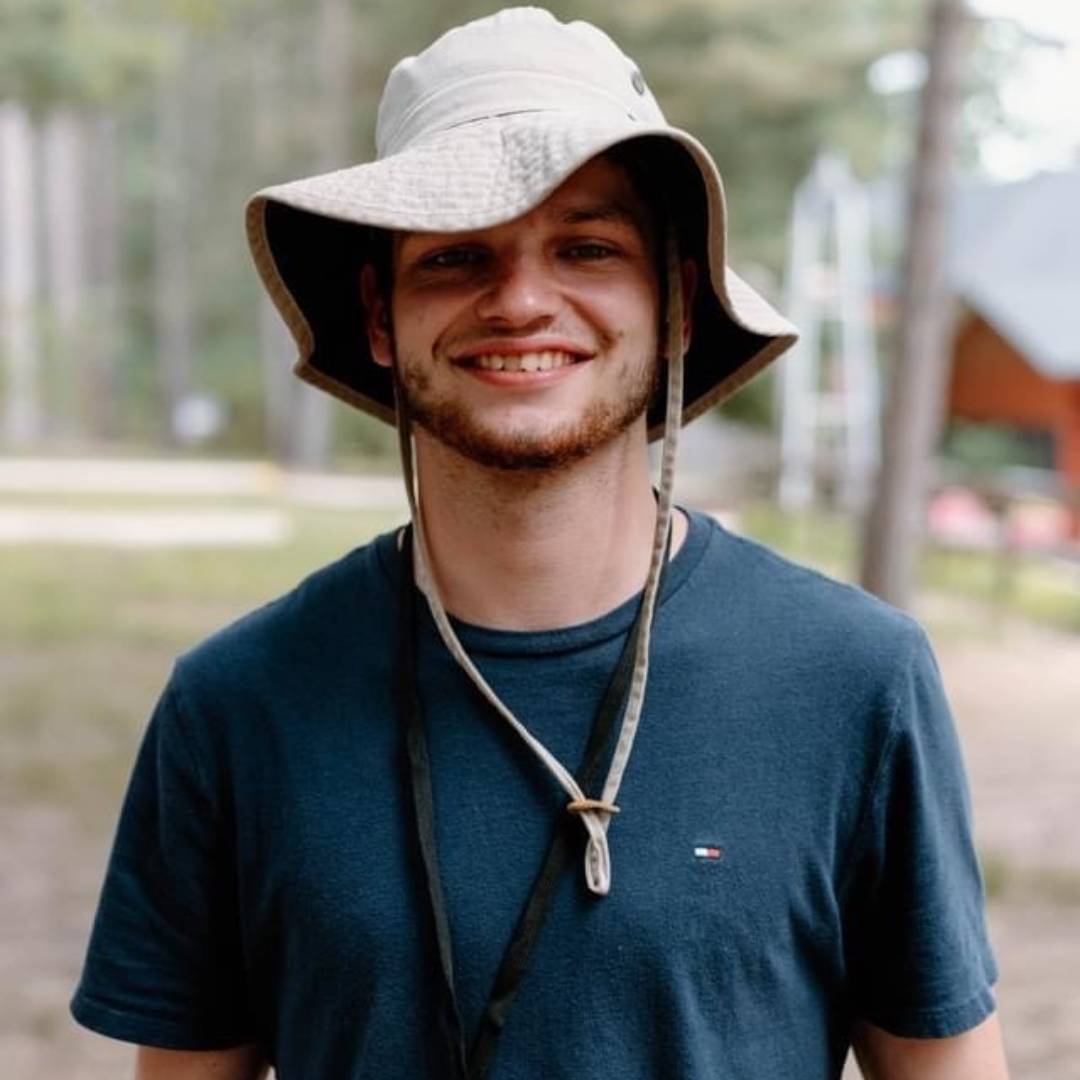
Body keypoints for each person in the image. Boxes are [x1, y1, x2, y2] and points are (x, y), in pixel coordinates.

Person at [71, 8, 1008, 1079]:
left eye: (587, 247)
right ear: (381, 318)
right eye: (458, 256)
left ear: (678, 304)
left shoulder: (853, 681)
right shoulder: (236, 705)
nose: (519, 300)